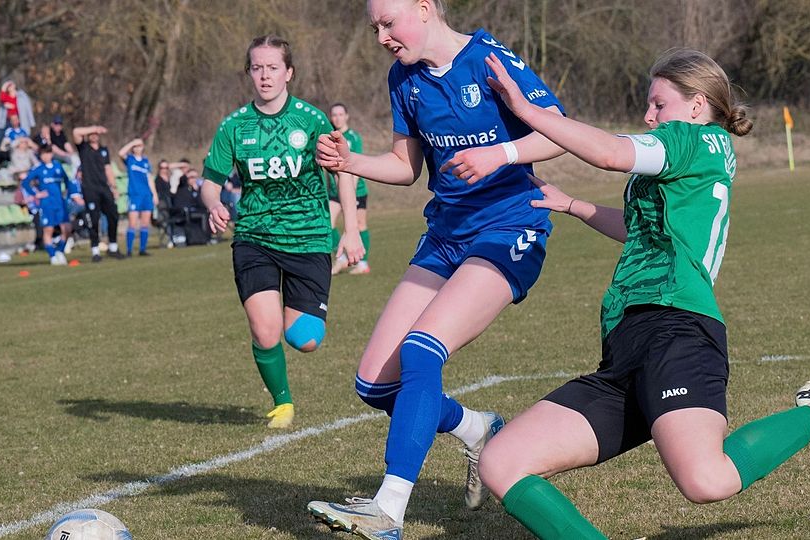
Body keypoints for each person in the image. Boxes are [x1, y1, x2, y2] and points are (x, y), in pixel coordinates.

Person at [470, 48, 810, 540]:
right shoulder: (693, 150)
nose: (648, 115)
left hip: (676, 329)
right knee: (502, 461)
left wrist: (528, 111)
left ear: (697, 105)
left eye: (659, 104)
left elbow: (609, 153)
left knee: (706, 480)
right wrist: (572, 205)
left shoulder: (692, 139)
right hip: (627, 340)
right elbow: (639, 228)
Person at [306, 1, 567, 537]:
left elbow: (557, 131)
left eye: (388, 23)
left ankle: (387, 510)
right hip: (445, 236)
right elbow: (405, 167)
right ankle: (476, 428)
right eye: (374, 27)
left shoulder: (489, 59)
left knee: (422, 349)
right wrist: (349, 162)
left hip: (509, 229)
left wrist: (500, 155)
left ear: (424, 8)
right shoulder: (403, 78)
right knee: (374, 384)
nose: (381, 36)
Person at [200, 35, 364, 430]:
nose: (265, 75)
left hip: (309, 237)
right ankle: (282, 402)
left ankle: (300, 322)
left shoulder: (311, 121)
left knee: (305, 338)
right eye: (257, 68)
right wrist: (214, 203)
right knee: (265, 329)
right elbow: (210, 182)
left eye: (273, 67)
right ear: (249, 73)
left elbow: (342, 172)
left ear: (288, 73)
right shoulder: (234, 126)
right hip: (254, 236)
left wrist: (351, 229)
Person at [327, 103, 372, 275]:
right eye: (334, 115)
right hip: (334, 192)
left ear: (346, 116)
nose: (337, 118)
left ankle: (362, 263)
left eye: (340, 114)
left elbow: (357, 166)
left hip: (356, 191)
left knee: (360, 224)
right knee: (327, 223)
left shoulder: (353, 138)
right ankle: (341, 259)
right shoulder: (329, 137)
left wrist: (350, 192)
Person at [21, 145, 83, 265]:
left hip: (60, 203)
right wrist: (36, 194)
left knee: (67, 228)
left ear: (51, 154)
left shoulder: (58, 166)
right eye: (43, 154)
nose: (46, 156)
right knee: (48, 230)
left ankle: (60, 251)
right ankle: (52, 255)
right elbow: (25, 182)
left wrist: (72, 194)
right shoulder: (38, 169)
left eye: (48, 153)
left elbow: (67, 181)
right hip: (46, 204)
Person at [73, 124, 124, 262]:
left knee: (113, 215)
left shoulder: (103, 150)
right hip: (90, 189)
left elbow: (108, 169)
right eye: (92, 133)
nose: (94, 135)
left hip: (104, 188)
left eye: (96, 133)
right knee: (94, 219)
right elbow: (76, 131)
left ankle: (113, 247)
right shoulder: (84, 148)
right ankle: (95, 250)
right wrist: (94, 128)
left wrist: (114, 187)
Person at [118, 138, 158, 256]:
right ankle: (129, 250)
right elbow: (120, 153)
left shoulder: (146, 161)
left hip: (146, 195)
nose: (138, 148)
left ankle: (142, 249)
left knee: (145, 224)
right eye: (136, 146)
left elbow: (149, 179)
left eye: (139, 145)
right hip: (135, 195)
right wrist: (132, 142)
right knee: (132, 223)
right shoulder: (130, 159)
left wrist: (154, 194)